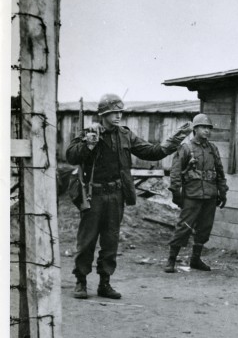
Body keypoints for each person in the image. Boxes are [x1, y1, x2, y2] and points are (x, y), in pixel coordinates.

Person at [66, 93, 192, 300]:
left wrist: (176, 138)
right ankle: (81, 281)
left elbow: (152, 152)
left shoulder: (125, 135)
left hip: (116, 196)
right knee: (87, 241)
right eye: (112, 112)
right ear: (103, 114)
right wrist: (88, 144)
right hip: (93, 195)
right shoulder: (89, 133)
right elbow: (70, 156)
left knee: (111, 241)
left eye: (119, 112)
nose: (117, 116)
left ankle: (104, 283)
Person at [164, 114, 228, 273]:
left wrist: (222, 191)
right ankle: (171, 260)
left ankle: (195, 259)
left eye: (209, 128)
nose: (207, 131)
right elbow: (175, 173)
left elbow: (219, 171)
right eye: (203, 127)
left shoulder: (213, 148)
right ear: (195, 129)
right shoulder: (185, 148)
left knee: (205, 228)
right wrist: (176, 194)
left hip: (210, 195)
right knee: (183, 227)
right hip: (192, 195)